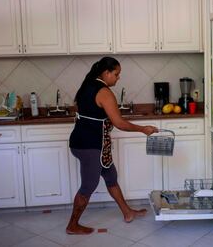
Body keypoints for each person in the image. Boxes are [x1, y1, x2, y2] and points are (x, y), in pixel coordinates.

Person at [66, 56, 158, 235]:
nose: (118, 78)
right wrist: (143, 129)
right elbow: (119, 123)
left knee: (110, 176)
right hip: (90, 146)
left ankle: (127, 212)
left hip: (85, 142)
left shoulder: (87, 85)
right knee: (88, 186)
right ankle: (72, 225)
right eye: (116, 74)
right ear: (106, 73)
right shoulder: (104, 92)